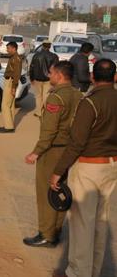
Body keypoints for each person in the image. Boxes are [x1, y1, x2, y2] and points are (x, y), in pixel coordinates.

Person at [51, 59, 117, 277]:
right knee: (101, 225)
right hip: (112, 168)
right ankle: (93, 271)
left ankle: (79, 273)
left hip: (89, 168)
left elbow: (77, 143)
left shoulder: (89, 103)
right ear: (115, 78)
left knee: (82, 226)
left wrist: (58, 172)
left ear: (92, 77)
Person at [22, 61, 82, 248]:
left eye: (51, 72)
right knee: (60, 189)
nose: (49, 75)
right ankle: (55, 230)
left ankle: (46, 235)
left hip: (53, 150)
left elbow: (49, 132)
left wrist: (35, 152)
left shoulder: (57, 98)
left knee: (47, 191)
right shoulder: (78, 94)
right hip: (68, 149)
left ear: (60, 75)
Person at [29, 40, 59, 117]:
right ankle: (46, 112)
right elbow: (56, 69)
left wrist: (31, 78)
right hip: (48, 79)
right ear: (49, 46)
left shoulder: (36, 55)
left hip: (37, 78)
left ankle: (39, 112)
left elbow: (31, 67)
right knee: (46, 95)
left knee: (38, 96)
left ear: (42, 45)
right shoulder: (54, 56)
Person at [0, 41, 22, 133]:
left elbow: (17, 74)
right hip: (10, 81)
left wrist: (13, 87)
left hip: (11, 82)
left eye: (8, 48)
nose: (7, 50)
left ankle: (8, 127)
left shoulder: (16, 58)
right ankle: (10, 124)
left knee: (5, 105)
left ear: (14, 48)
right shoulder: (13, 57)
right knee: (11, 105)